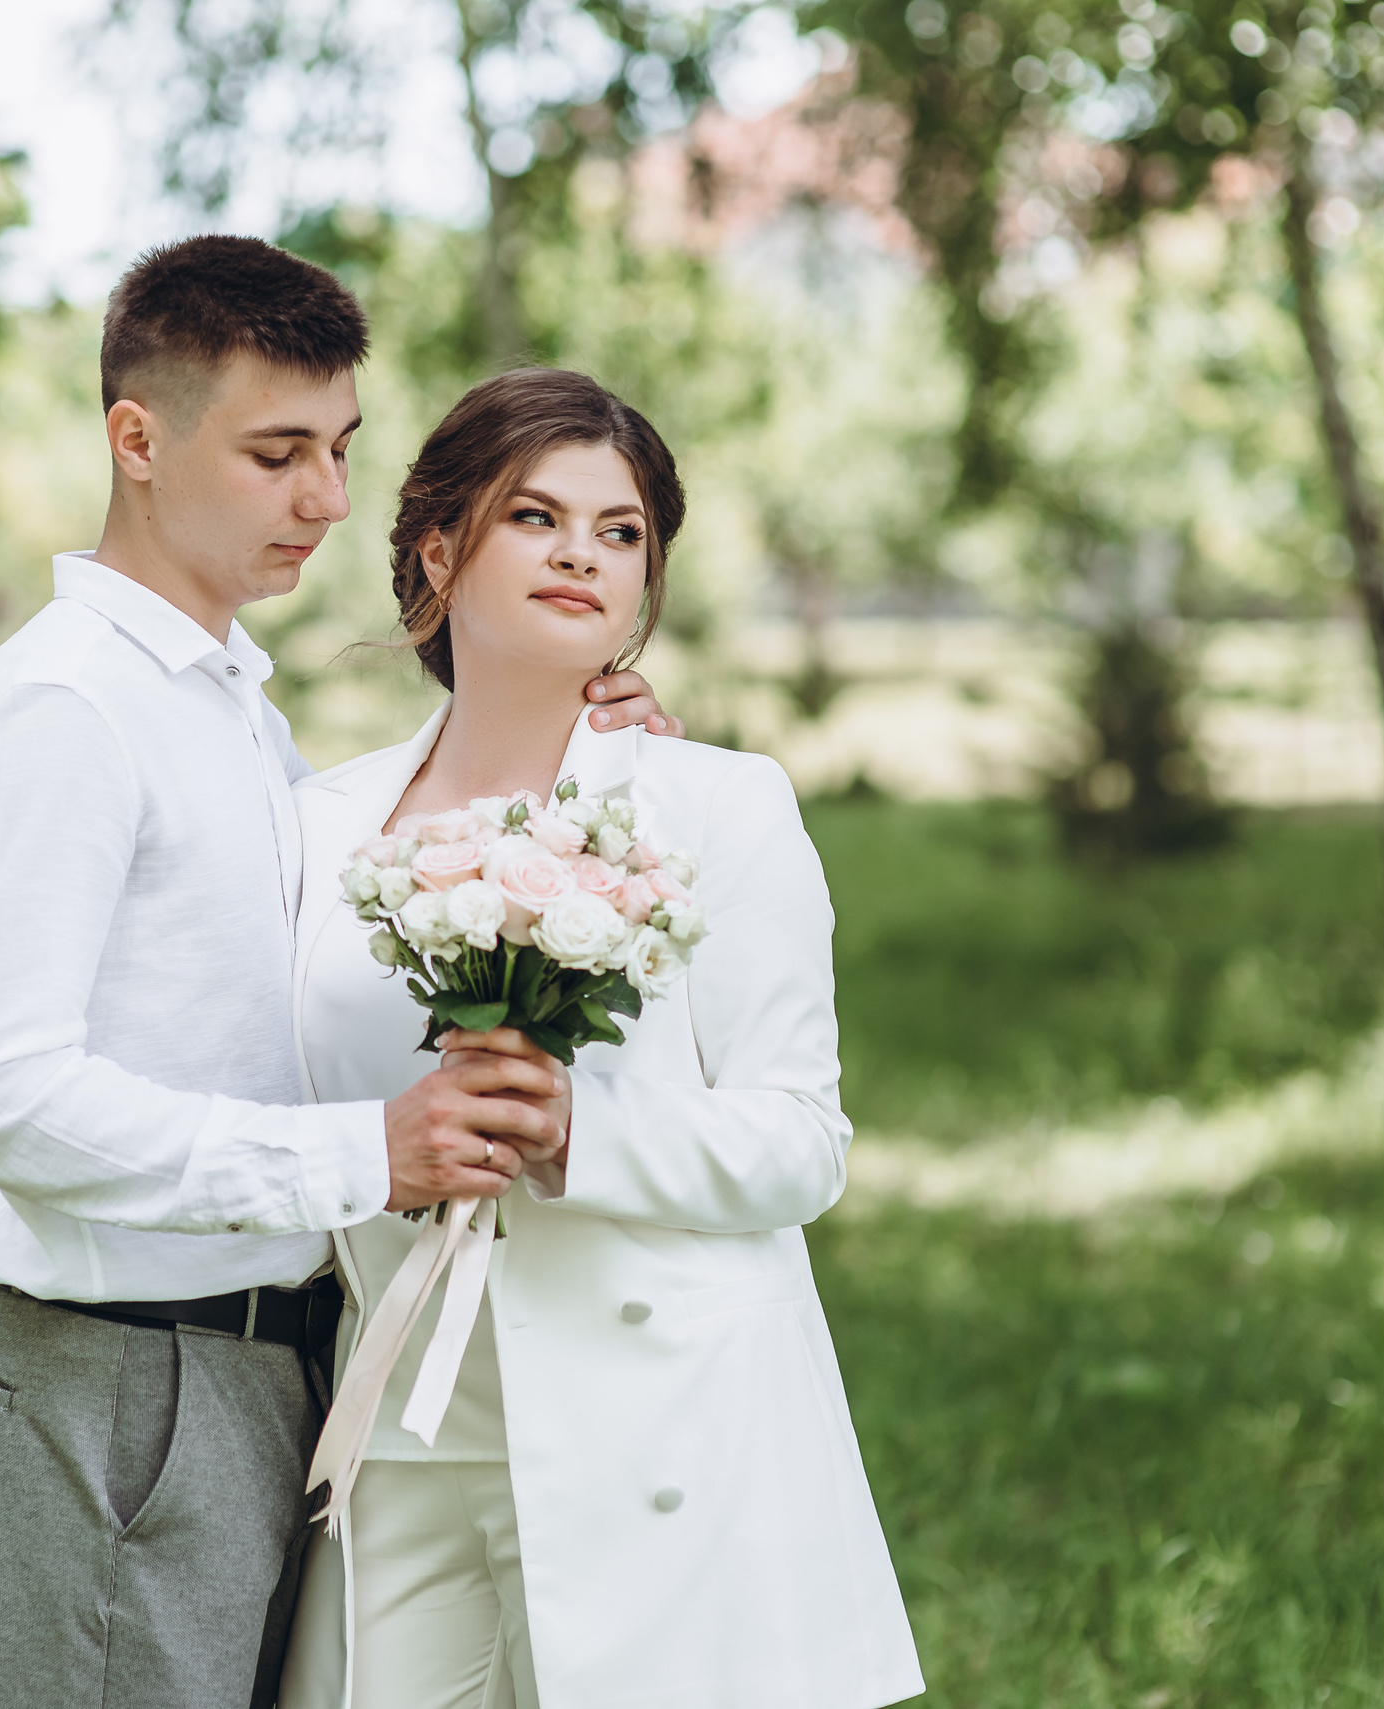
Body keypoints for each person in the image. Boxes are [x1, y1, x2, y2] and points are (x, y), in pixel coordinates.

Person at [0, 238, 681, 1709]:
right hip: (114, 1381)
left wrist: (584, 752)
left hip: (271, 1368)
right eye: (275, 454)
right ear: (137, 439)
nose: (325, 500)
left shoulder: (230, 708)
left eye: (338, 448)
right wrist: (361, 1153)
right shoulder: (64, 709)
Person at [277, 368, 925, 1709]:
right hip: (400, 1424)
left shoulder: (716, 807)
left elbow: (802, 1143)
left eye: (620, 531)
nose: (582, 551)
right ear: (439, 546)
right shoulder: (318, 823)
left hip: (658, 1421)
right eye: (535, 516)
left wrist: (578, 1131)